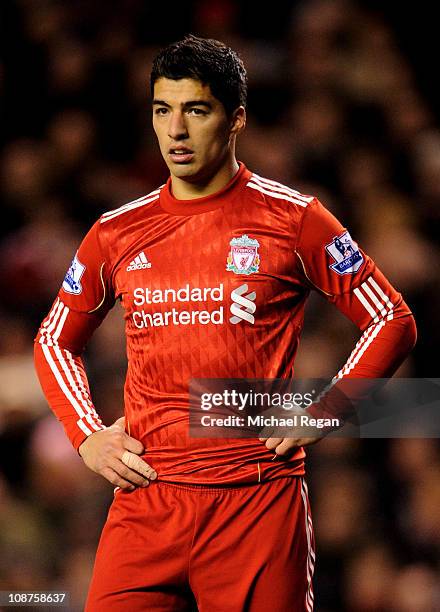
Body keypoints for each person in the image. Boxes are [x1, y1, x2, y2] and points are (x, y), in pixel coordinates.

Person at [34, 35, 416, 612]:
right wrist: (86, 434)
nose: (176, 131)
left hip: (256, 502)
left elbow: (393, 320)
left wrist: (331, 406)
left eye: (196, 110)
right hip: (147, 500)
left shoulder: (295, 220)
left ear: (236, 117)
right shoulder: (115, 232)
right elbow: (53, 340)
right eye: (163, 111)